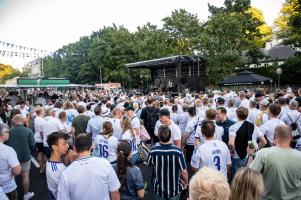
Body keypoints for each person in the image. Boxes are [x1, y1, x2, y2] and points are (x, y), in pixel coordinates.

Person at [57, 134, 120, 200]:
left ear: (74, 148)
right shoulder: (105, 164)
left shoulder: (66, 173)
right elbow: (115, 192)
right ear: (91, 147)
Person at [248, 125, 301, 199]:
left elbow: (249, 177)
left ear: (274, 136)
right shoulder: (299, 156)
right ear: (291, 138)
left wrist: (250, 155)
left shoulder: (264, 153)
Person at [147, 125, 188, 200]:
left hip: (159, 189)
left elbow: (149, 163)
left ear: (159, 136)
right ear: (170, 136)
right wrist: (186, 183)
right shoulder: (178, 151)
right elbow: (184, 172)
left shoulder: (153, 150)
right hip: (175, 189)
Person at [228, 107, 266, 176]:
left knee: (238, 179)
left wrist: (232, 152)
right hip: (252, 155)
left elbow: (231, 143)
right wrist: (254, 150)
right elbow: (264, 142)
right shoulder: (254, 126)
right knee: (250, 177)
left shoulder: (233, 127)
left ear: (237, 115)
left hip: (239, 156)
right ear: (247, 115)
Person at [6, 114, 35, 200]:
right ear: (23, 121)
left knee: (12, 175)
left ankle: (13, 193)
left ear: (14, 121)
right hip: (25, 156)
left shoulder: (9, 131)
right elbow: (32, 144)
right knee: (25, 175)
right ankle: (26, 194)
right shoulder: (28, 131)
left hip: (12, 157)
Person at [46, 132, 71, 200]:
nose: (68, 146)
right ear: (54, 147)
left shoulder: (55, 162)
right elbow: (67, 189)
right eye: (64, 143)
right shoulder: (55, 170)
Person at [0, 123, 22, 200]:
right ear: (1, 134)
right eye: (7, 132)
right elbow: (17, 171)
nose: (9, 133)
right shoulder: (8, 150)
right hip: (7, 187)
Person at [34, 107, 46, 173]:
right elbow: (41, 132)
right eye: (43, 111)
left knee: (40, 153)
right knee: (44, 154)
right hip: (41, 139)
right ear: (41, 112)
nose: (44, 112)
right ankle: (43, 168)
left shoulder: (36, 119)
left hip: (36, 138)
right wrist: (44, 139)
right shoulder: (41, 120)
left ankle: (42, 168)